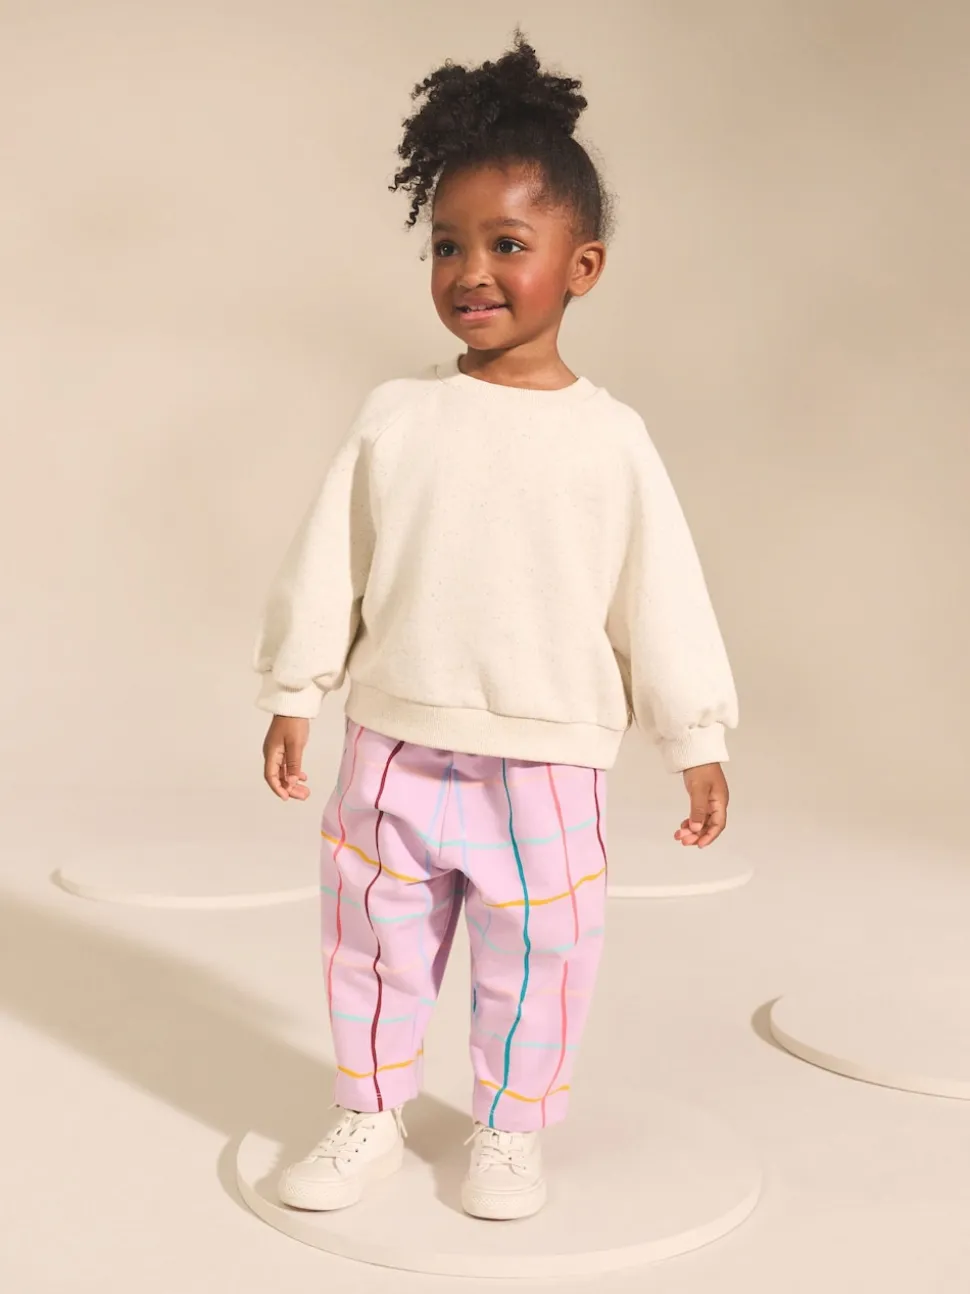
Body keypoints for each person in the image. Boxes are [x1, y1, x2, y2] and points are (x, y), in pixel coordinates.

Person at [252, 29, 738, 1222]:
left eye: (507, 244)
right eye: (447, 244)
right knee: (372, 938)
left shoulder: (609, 438)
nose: (471, 270)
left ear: (582, 265)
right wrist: (295, 689)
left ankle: (508, 1130)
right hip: (394, 740)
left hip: (546, 755)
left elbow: (659, 592)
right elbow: (331, 557)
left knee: (539, 953)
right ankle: (370, 1112)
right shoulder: (396, 414)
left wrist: (694, 735)